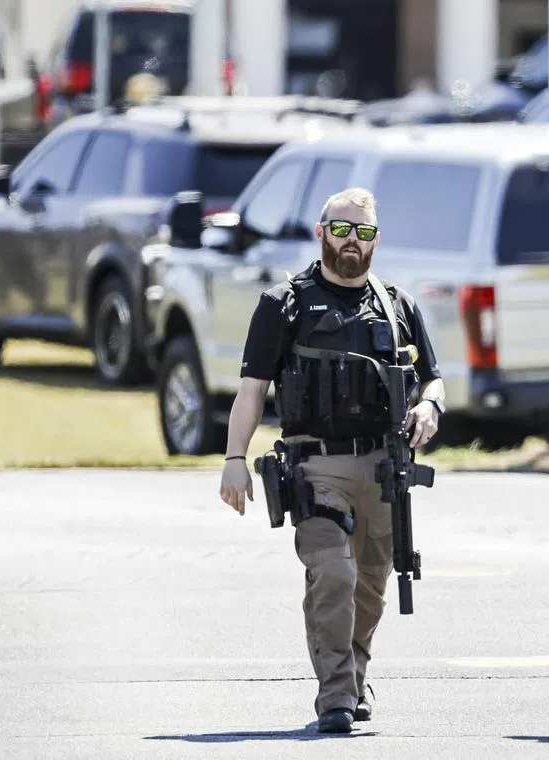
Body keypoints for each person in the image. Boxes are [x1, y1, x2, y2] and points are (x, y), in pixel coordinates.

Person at [218, 187, 445, 734]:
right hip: (314, 464)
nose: (351, 240)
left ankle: (355, 674)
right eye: (340, 229)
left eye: (363, 232)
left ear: (376, 239)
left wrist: (431, 406)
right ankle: (336, 694)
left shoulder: (397, 304)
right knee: (334, 574)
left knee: (370, 582)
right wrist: (233, 457)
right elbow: (252, 389)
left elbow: (434, 377)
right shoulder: (285, 303)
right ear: (320, 232)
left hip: (383, 468)